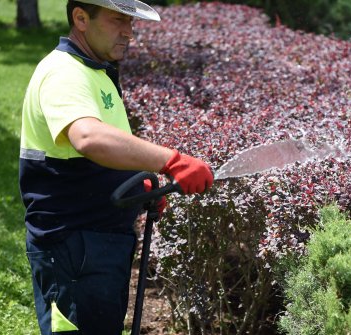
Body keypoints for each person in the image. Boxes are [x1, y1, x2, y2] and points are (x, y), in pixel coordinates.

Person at [18, 0, 214, 333]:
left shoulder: (96, 71)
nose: (128, 32)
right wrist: (172, 161)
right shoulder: (64, 72)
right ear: (81, 18)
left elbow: (94, 154)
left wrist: (136, 185)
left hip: (94, 247)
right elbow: (89, 137)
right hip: (73, 249)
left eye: (131, 23)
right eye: (117, 21)